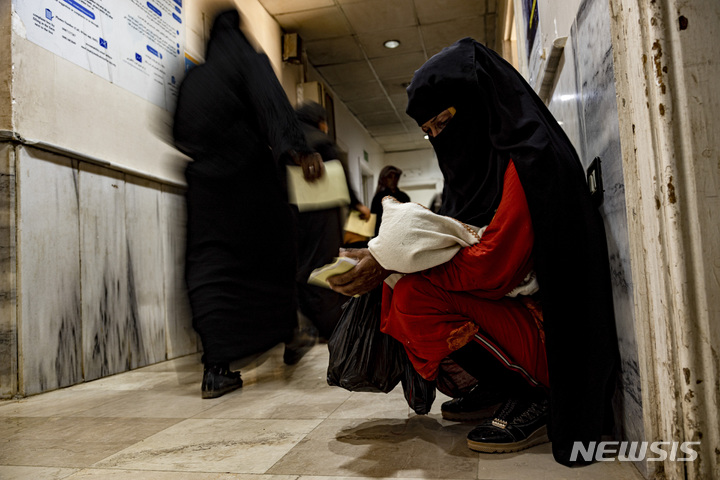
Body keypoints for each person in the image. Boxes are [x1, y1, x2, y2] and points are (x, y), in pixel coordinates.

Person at [328, 37, 618, 467]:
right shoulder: (485, 169)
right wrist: (383, 258)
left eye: (444, 123)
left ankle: (535, 395)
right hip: (521, 318)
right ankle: (501, 386)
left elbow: (494, 269)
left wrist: (394, 263)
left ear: (479, 102)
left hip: (558, 347)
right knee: (397, 288)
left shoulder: (530, 162)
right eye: (429, 132)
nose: (439, 139)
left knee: (414, 294)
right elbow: (455, 238)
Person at [172, 9, 323, 399]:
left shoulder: (194, 78)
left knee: (212, 269)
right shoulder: (248, 62)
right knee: (271, 259)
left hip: (205, 188)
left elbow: (177, 133)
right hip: (249, 182)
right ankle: (290, 336)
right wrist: (299, 149)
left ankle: (216, 369)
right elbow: (272, 103)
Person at [285, 101, 371, 363]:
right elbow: (339, 174)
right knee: (325, 271)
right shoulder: (322, 141)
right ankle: (337, 333)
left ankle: (297, 331)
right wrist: (356, 203)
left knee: (299, 271)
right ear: (320, 121)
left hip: (294, 217)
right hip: (322, 215)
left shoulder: (287, 141)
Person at [370, 166, 410, 237]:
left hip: (402, 234)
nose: (393, 180)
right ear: (384, 179)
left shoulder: (404, 197)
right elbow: (374, 222)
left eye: (396, 177)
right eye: (390, 177)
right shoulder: (378, 198)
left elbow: (408, 218)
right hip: (384, 235)